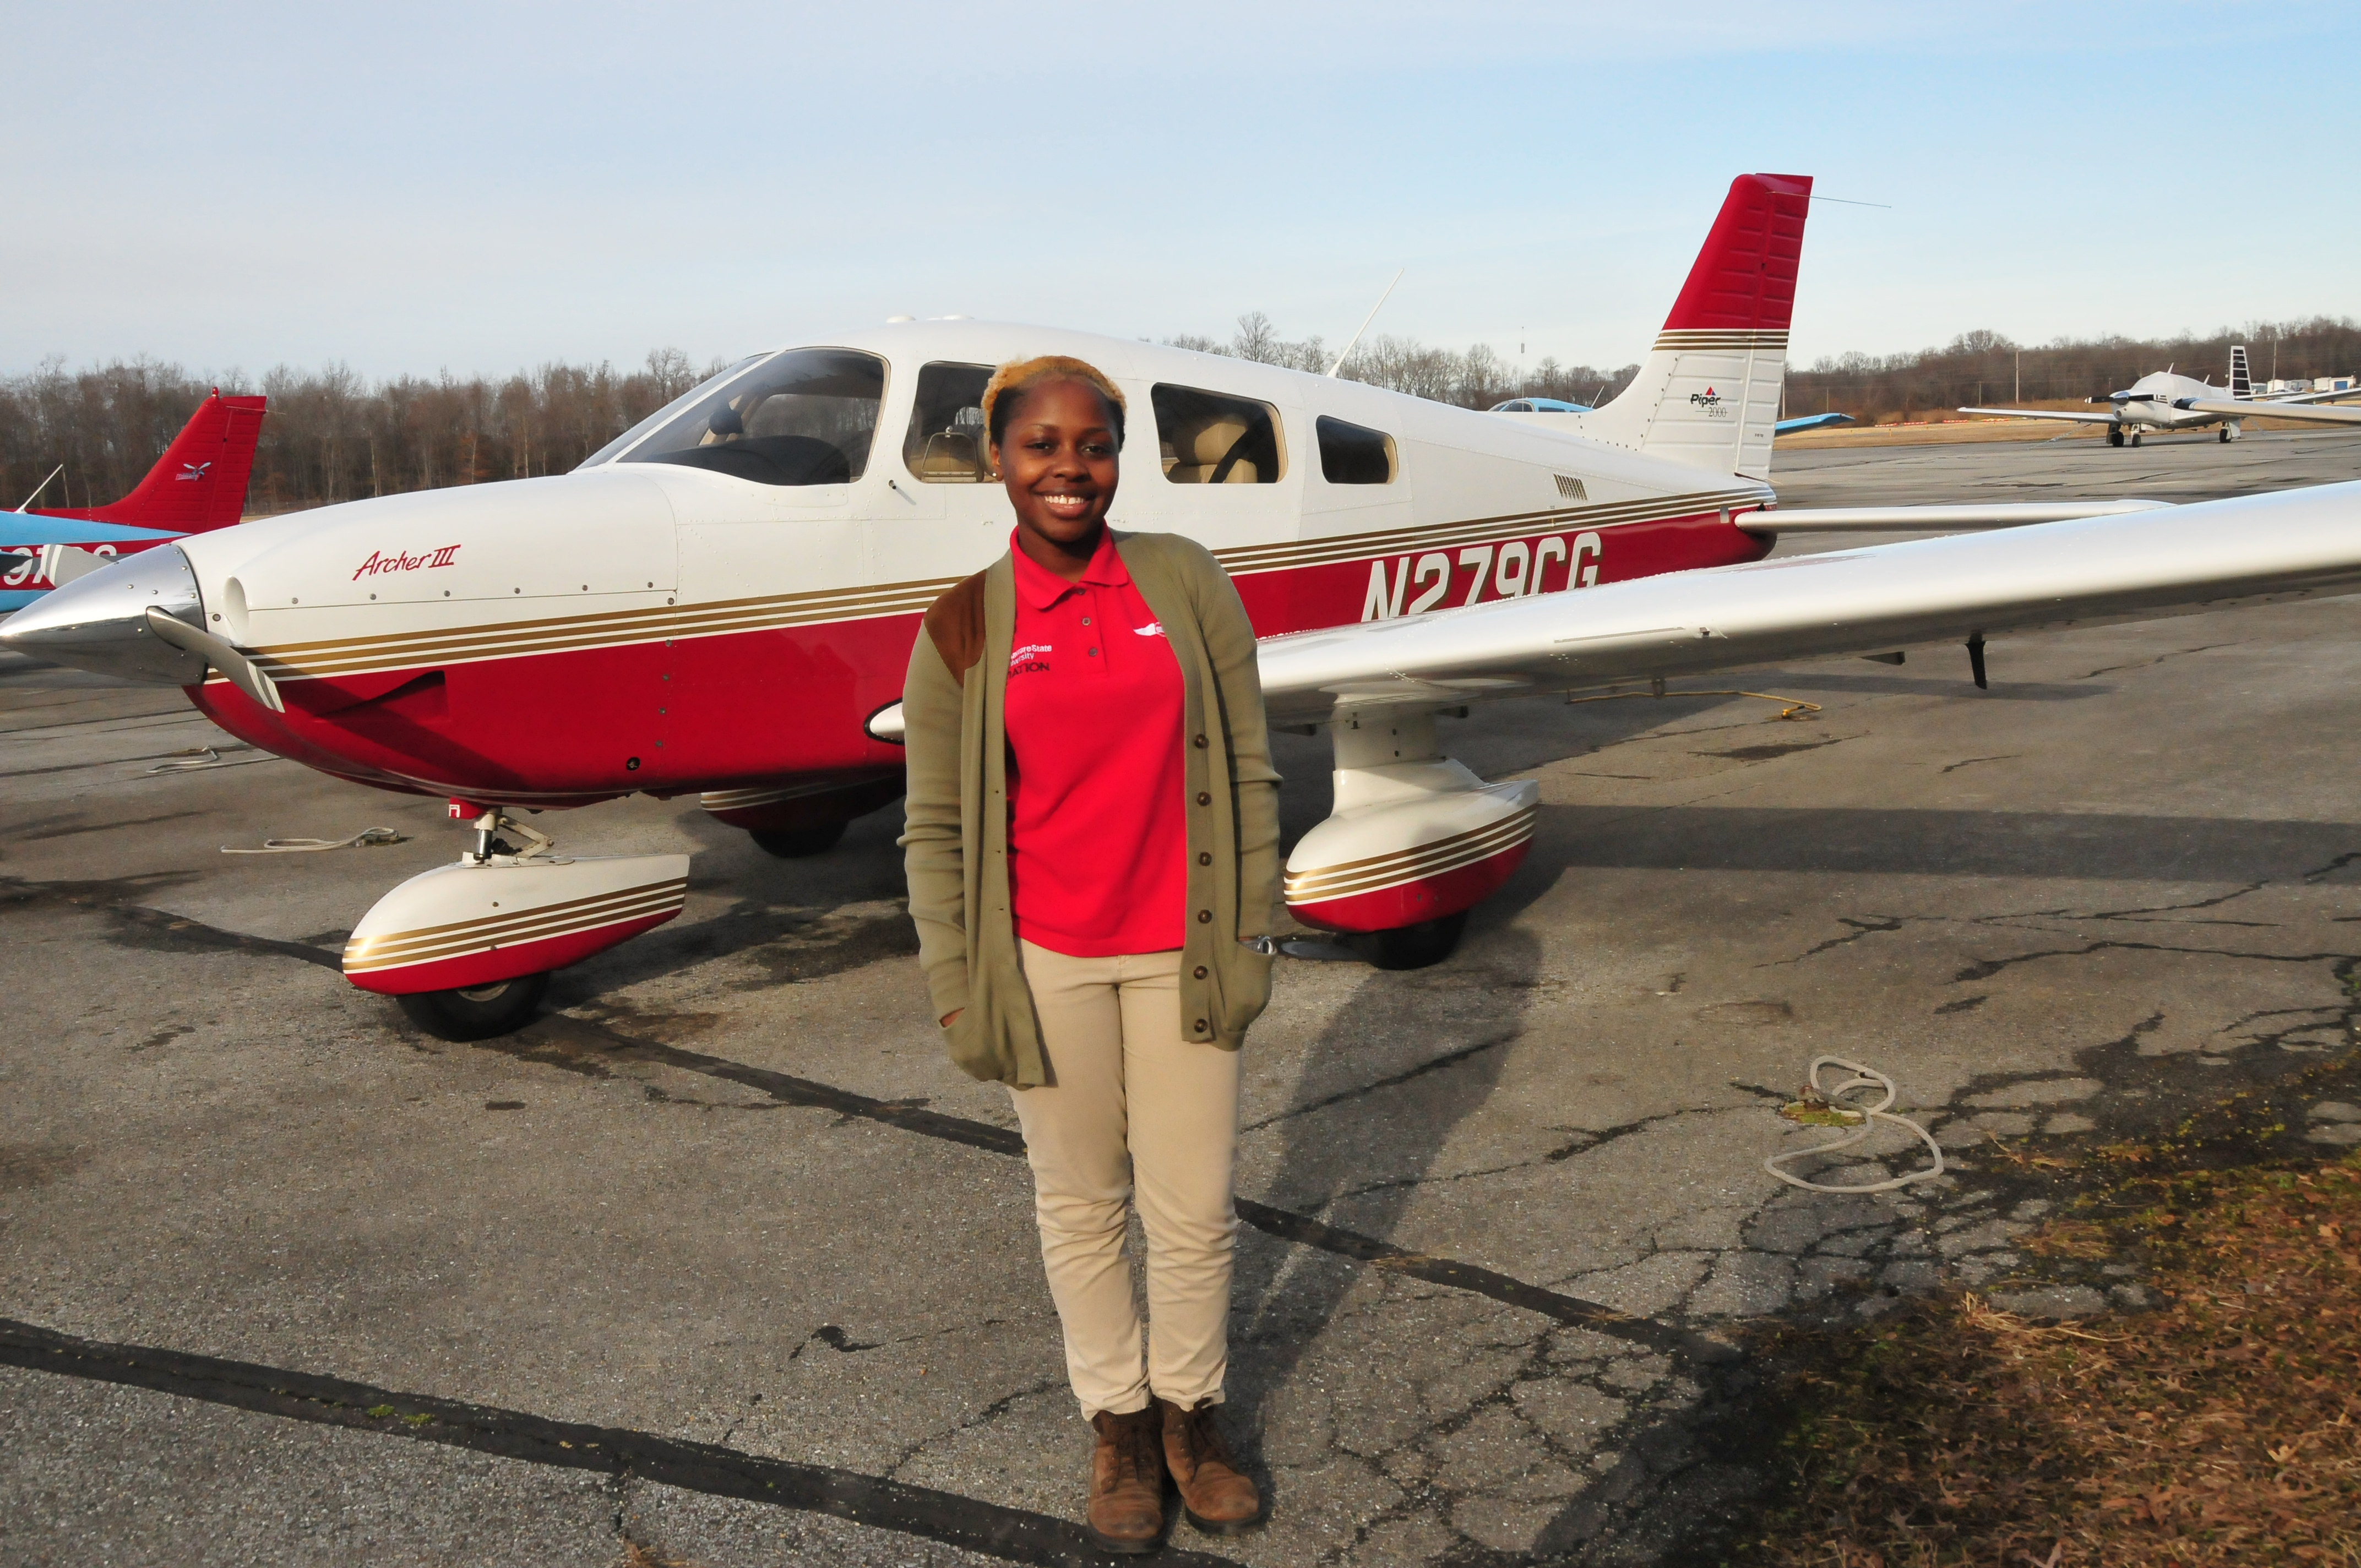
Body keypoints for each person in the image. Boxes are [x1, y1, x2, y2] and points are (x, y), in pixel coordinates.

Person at [899, 354, 1282, 1553]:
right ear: (997, 460)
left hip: (1184, 949)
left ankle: (1189, 1414)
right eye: (1040, 446)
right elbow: (936, 828)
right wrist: (960, 986)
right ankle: (1115, 1423)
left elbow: (1253, 765)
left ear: (1119, 457)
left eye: (1093, 445)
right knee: (1078, 1204)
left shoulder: (1183, 579)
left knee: (1194, 1206)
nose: (1069, 468)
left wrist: (1255, 925)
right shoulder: (963, 623)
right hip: (1043, 958)